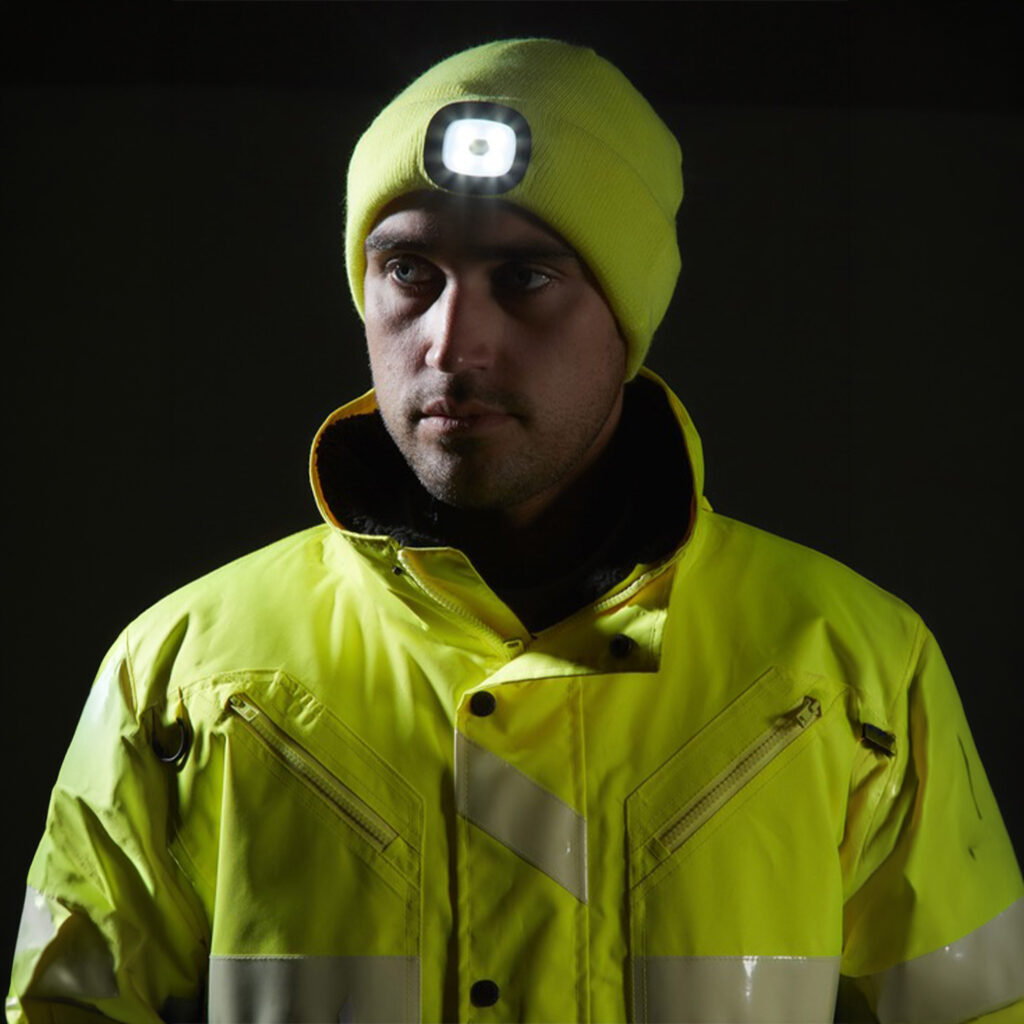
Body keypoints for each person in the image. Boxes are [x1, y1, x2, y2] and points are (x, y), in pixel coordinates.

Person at [8, 37, 1023, 1024]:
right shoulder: (186, 675)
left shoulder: (852, 671)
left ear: (629, 316)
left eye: (526, 277)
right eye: (410, 271)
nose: (454, 343)